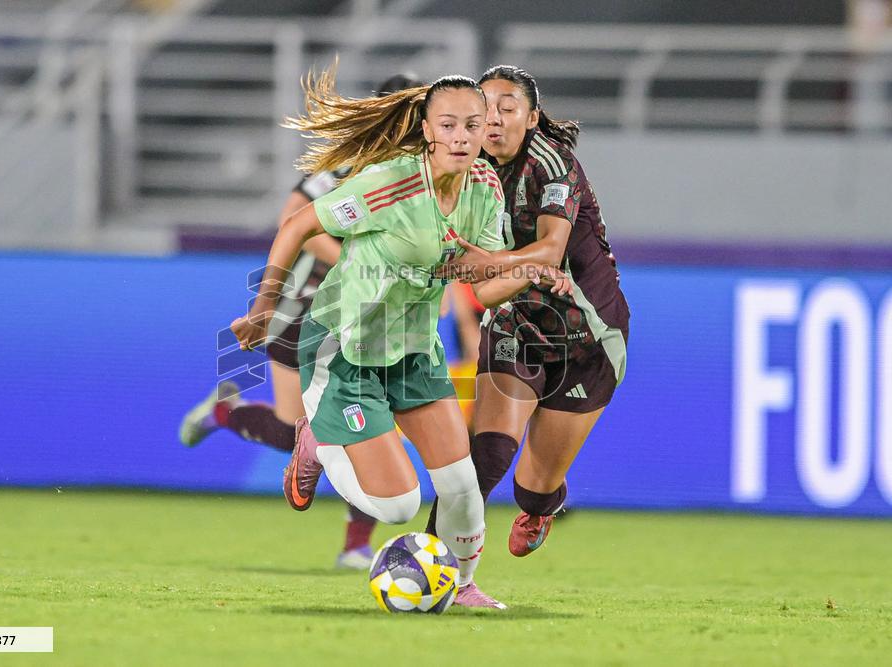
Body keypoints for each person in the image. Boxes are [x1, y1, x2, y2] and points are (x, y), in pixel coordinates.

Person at [230, 68, 534, 609]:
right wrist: (263, 307)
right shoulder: (389, 182)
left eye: (474, 123)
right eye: (449, 124)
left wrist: (525, 272)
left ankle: (462, 587)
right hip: (345, 346)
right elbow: (298, 225)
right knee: (397, 508)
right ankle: (318, 442)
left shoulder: (486, 189)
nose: (463, 136)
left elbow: (481, 276)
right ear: (427, 129)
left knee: (461, 483)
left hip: (413, 349)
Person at [178, 77, 424, 571]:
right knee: (298, 431)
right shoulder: (342, 165)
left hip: (375, 319)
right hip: (309, 307)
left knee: (375, 428)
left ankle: (355, 544)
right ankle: (227, 413)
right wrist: (355, 266)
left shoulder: (424, 175)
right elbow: (295, 219)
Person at [427, 65, 629, 561]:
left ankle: (544, 507)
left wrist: (484, 266)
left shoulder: (553, 163)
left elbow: (549, 249)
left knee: (533, 489)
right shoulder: (465, 168)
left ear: (532, 117)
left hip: (588, 337)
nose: (492, 118)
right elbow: (485, 284)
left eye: (507, 107)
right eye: (484, 109)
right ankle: (432, 557)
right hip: (518, 323)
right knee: (488, 454)